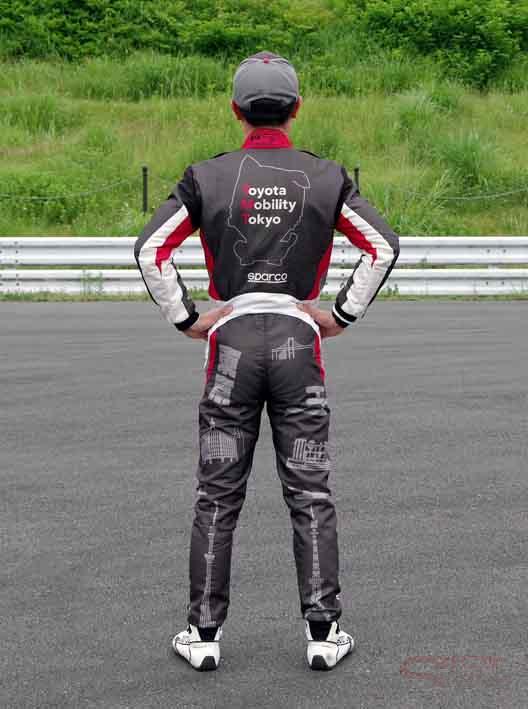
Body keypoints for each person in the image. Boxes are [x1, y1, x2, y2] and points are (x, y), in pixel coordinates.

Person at [134, 51, 399, 672]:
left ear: (236, 110)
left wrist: (187, 318)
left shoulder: (205, 176)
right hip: (297, 344)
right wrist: (340, 314)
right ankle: (323, 634)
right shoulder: (327, 176)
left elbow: (149, 250)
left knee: (217, 494)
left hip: (230, 344)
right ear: (296, 108)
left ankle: (203, 635)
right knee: (310, 490)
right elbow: (384, 246)